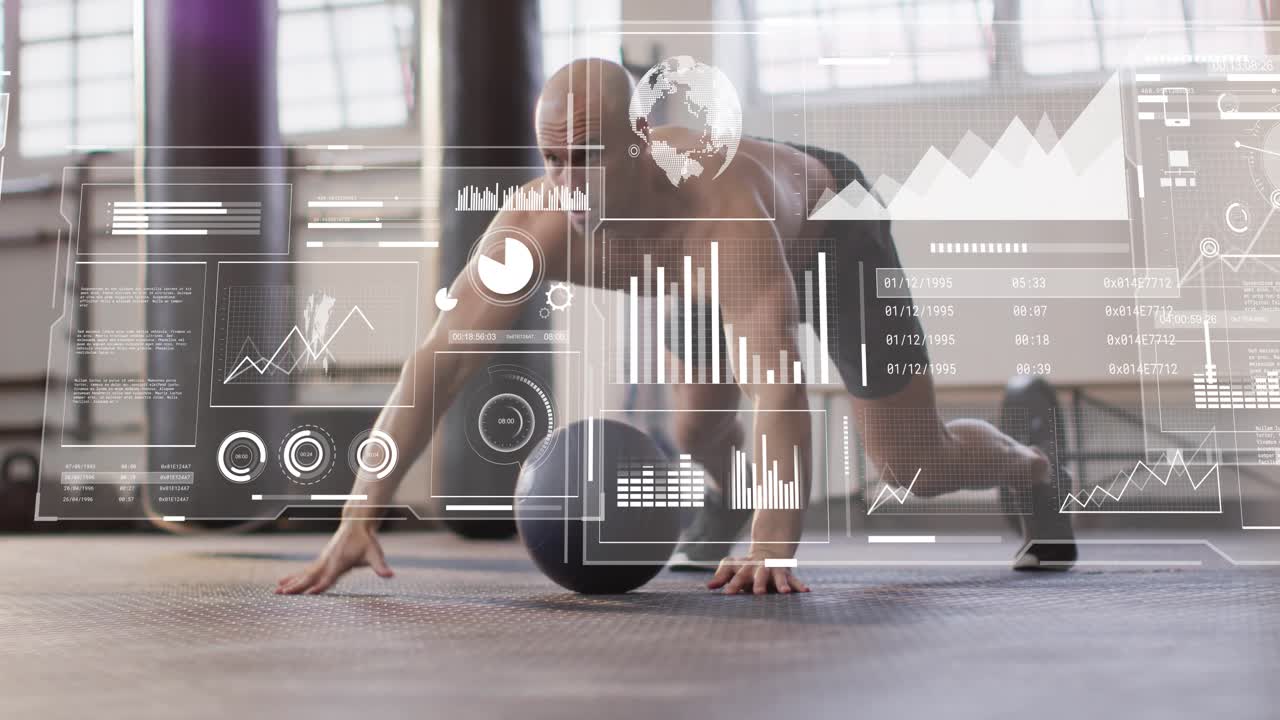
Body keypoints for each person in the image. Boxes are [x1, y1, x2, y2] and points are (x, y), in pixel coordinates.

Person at [277, 58, 1075, 597]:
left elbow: (775, 380)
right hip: (694, 269)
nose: (567, 182)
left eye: (585, 156)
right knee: (694, 427)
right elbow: (436, 365)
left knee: (911, 463)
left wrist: (773, 541)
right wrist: (361, 510)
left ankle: (1036, 468)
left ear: (639, 142)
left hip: (829, 224)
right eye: (551, 157)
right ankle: (724, 503)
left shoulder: (719, 211)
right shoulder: (533, 226)